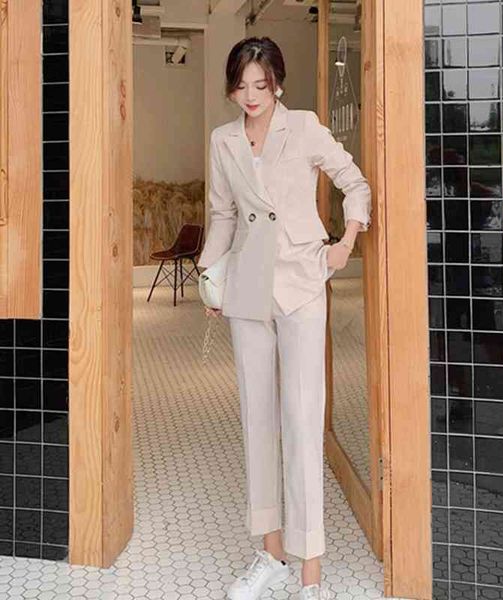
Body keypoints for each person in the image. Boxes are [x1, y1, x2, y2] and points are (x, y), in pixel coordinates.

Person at [198, 36, 372, 600]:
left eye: (261, 84)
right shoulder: (223, 140)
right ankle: (270, 554)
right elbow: (223, 214)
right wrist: (208, 274)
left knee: (302, 420)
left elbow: (354, 181)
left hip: (301, 282)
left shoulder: (305, 127)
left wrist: (346, 241)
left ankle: (310, 574)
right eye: (241, 85)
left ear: (278, 84)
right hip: (247, 287)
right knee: (257, 419)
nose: (251, 95)